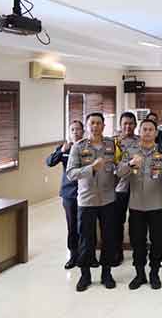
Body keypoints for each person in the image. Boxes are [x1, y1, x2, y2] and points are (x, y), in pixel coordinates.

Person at [116, 119, 162, 290]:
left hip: (157, 205)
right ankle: (140, 274)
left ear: (156, 133)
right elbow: (119, 173)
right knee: (137, 242)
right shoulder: (130, 151)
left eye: (151, 129)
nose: (148, 132)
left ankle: (154, 273)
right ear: (140, 131)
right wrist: (130, 164)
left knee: (157, 242)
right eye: (145, 129)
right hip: (136, 205)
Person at [66, 113, 118, 292]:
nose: (95, 126)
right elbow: (71, 173)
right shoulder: (78, 147)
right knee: (86, 240)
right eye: (92, 123)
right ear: (87, 127)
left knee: (109, 239)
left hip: (108, 199)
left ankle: (107, 273)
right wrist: (91, 168)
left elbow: (118, 167)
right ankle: (85, 275)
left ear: (104, 126)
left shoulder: (111, 144)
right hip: (87, 200)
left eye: (98, 123)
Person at [47, 120, 88, 270]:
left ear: (83, 132)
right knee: (72, 226)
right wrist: (61, 151)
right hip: (69, 193)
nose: (75, 132)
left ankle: (88, 255)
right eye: (72, 130)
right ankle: (73, 255)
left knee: (86, 225)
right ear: (69, 132)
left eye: (78, 129)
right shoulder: (65, 148)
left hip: (86, 192)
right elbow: (50, 162)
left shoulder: (87, 147)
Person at [111, 112, 139, 267]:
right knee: (117, 221)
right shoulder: (113, 143)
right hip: (119, 187)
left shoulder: (141, 142)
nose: (128, 126)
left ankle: (138, 252)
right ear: (120, 125)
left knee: (136, 222)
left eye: (131, 123)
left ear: (135, 125)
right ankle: (117, 252)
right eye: (125, 124)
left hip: (137, 188)